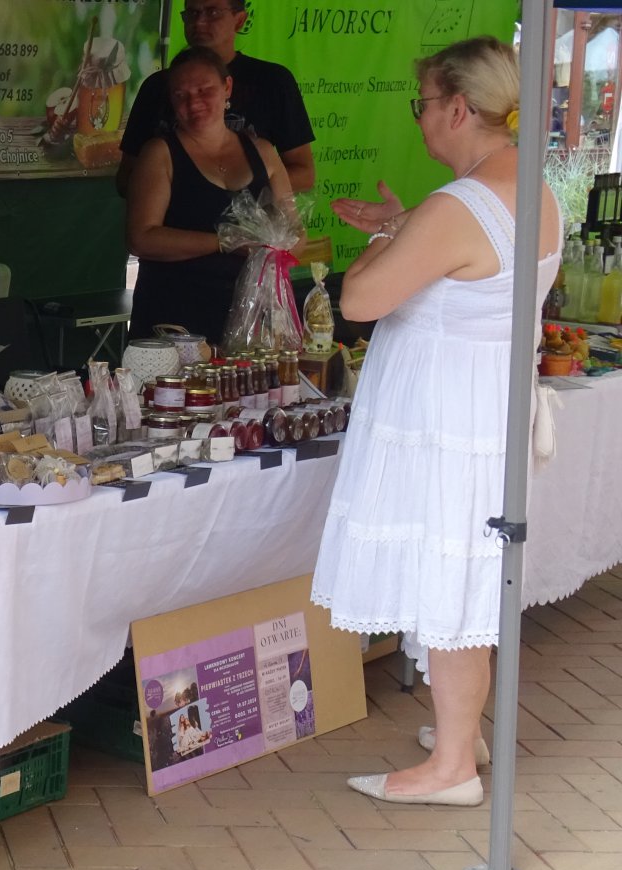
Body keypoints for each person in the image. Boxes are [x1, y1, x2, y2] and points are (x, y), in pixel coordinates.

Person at [314, 37, 558, 806]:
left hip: (448, 417)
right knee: (464, 573)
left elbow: (359, 299)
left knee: (452, 578)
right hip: (479, 409)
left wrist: (384, 237)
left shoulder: (458, 206)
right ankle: (462, 735)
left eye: (420, 103)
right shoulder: (531, 186)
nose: (418, 118)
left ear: (457, 108)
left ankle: (452, 767)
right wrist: (408, 225)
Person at [125, 48, 292, 344]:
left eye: (205, 90)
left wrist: (272, 249)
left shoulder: (263, 152)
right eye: (181, 95)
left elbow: (294, 234)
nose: (194, 103)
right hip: (174, 317)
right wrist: (226, 241)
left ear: (227, 87)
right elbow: (141, 238)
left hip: (252, 315)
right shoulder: (159, 153)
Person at [115, 0, 314, 196]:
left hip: (251, 215)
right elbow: (126, 178)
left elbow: (304, 174)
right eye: (192, 13)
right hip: (172, 216)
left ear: (239, 20)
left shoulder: (273, 81)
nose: (199, 22)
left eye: (213, 12)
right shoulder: (156, 86)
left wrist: (236, 194)